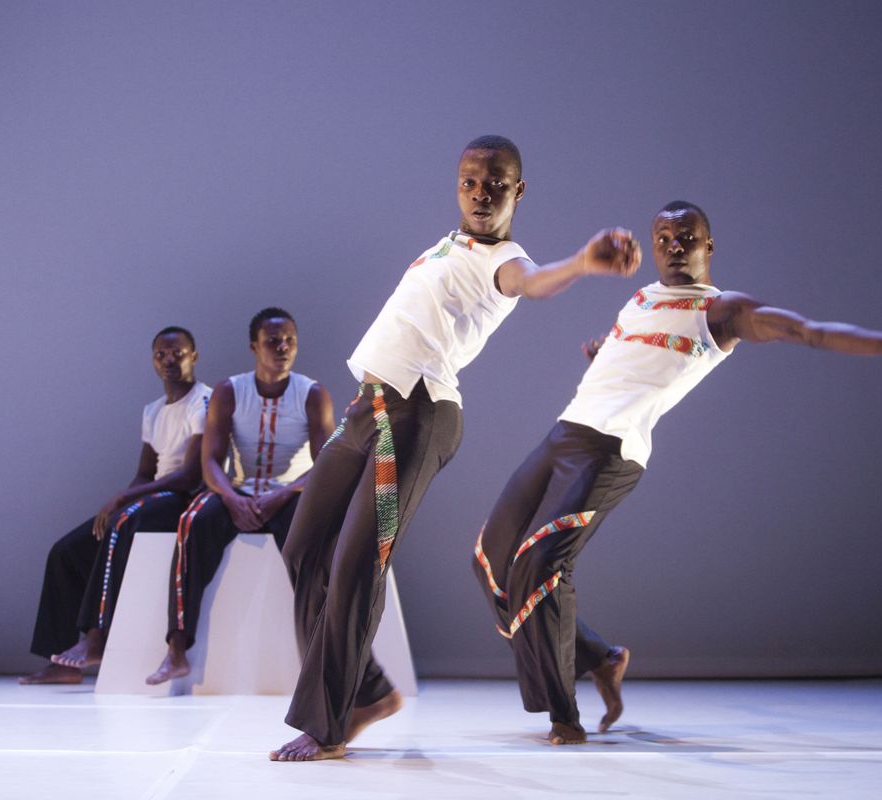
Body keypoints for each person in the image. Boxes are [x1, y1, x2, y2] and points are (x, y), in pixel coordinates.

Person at [473, 200, 882, 745]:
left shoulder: (722, 311)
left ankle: (564, 718)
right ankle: (600, 657)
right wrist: (606, 354)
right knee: (491, 562)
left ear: (708, 246)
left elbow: (809, 331)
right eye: (663, 238)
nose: (674, 246)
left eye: (686, 237)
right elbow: (633, 359)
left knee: (541, 564)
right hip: (565, 433)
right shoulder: (641, 299)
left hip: (610, 450)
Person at [269, 135, 642, 762]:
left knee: (357, 562)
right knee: (303, 549)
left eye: (495, 184)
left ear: (518, 191)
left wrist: (581, 262)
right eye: (470, 182)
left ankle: (330, 723)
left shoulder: (505, 258)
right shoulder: (449, 245)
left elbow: (532, 282)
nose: (480, 195)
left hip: (416, 414)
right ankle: (366, 693)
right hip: (367, 409)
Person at [145, 307, 334, 685]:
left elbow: (326, 464)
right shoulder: (230, 390)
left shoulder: (312, 394)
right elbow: (210, 461)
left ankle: (319, 654)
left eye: (290, 341)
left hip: (290, 492)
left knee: (312, 536)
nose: (283, 348)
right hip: (240, 490)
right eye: (273, 341)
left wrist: (283, 494)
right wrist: (232, 499)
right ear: (254, 347)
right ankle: (176, 650)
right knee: (191, 521)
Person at [20, 327, 210, 683]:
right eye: (161, 355)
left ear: (194, 357)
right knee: (66, 551)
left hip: (185, 498)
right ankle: (61, 664)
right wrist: (119, 500)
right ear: (153, 361)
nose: (169, 361)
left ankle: (96, 637)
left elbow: (190, 476)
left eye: (178, 353)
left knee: (122, 522)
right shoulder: (153, 411)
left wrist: (125, 500)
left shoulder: (204, 402)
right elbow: (145, 473)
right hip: (155, 496)